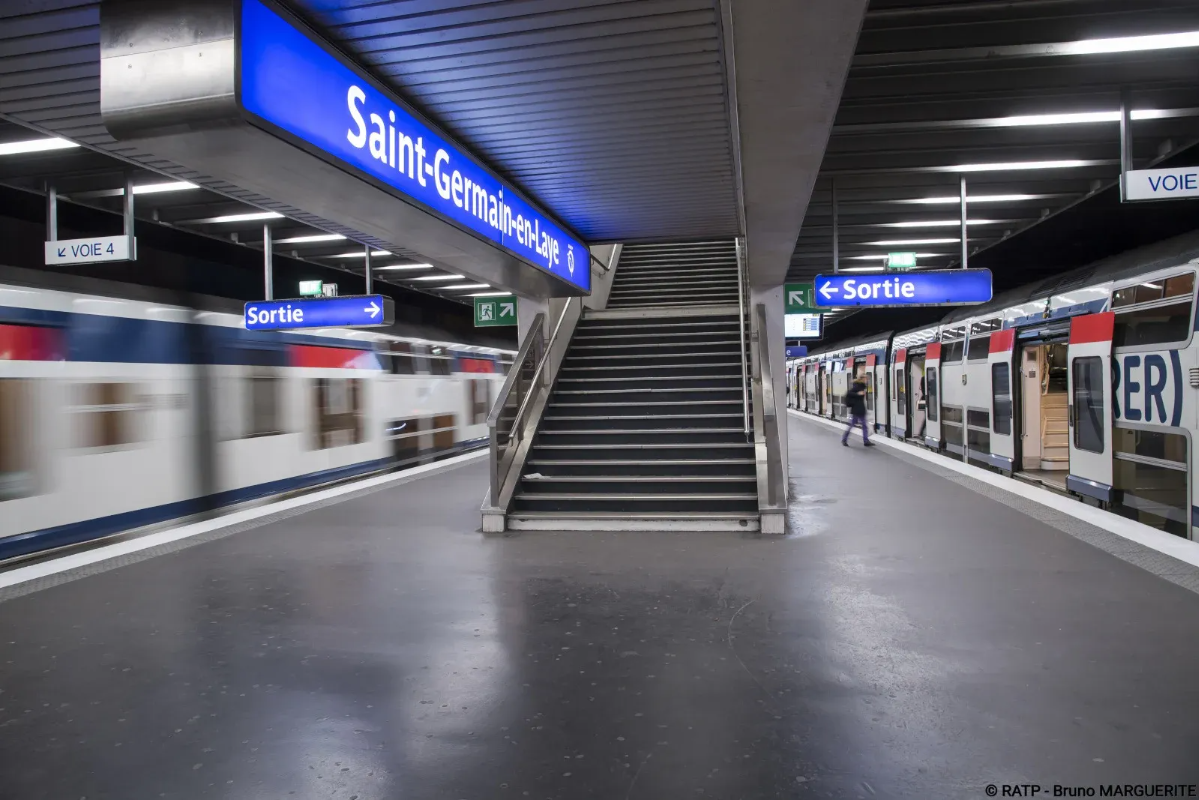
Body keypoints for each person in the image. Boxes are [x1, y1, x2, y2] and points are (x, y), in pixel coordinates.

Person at [842, 378, 874, 447]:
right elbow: (849, 393)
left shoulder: (862, 387)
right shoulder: (857, 387)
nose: (866, 380)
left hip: (860, 409)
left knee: (862, 426)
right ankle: (844, 439)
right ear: (862, 380)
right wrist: (858, 394)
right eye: (865, 379)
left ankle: (865, 441)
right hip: (856, 410)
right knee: (853, 425)